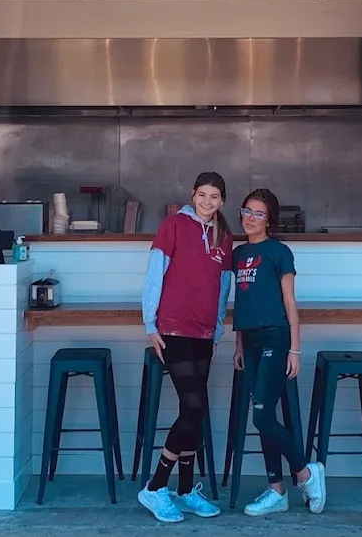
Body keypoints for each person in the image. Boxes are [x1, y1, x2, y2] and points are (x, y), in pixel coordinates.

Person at [137, 172, 234, 523]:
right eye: (202, 195)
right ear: (193, 195)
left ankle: (186, 489)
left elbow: (223, 285)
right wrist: (151, 324)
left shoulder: (225, 236)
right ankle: (155, 486)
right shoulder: (174, 225)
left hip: (204, 333)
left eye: (215, 196)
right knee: (193, 409)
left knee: (194, 409)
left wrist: (218, 328)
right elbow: (154, 272)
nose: (208, 202)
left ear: (223, 201)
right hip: (174, 330)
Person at [231, 187, 327, 517]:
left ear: (269, 219)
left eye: (258, 214)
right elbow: (242, 303)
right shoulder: (238, 254)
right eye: (246, 211)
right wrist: (240, 345)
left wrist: (296, 349)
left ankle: (305, 473)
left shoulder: (279, 252)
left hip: (276, 338)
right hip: (252, 341)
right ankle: (277, 491)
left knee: (261, 415)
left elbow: (289, 301)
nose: (250, 218)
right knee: (264, 415)